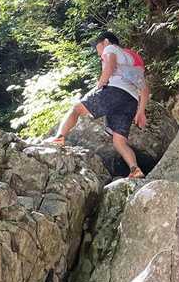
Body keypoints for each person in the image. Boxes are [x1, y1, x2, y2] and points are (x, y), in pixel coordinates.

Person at [52, 31, 149, 178]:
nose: (98, 52)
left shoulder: (110, 48)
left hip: (114, 91)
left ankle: (59, 138)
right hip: (131, 101)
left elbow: (109, 66)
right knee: (119, 141)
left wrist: (100, 84)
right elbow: (145, 88)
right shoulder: (132, 58)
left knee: (76, 109)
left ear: (105, 41)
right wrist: (141, 111)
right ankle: (135, 169)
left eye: (97, 46)